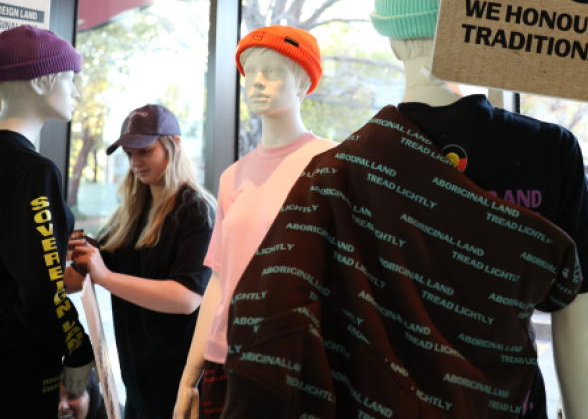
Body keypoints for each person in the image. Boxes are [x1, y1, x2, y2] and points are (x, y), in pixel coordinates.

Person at [376, 0, 588, 419]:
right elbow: (577, 322)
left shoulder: (353, 164)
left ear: (392, 41)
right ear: (471, 25)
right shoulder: (551, 150)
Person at [173, 26, 336, 419]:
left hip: (297, 363)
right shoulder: (233, 177)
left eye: (273, 71)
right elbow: (218, 280)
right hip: (225, 361)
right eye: (250, 72)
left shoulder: (332, 164)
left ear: (303, 85)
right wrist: (189, 374)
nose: (256, 83)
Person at [70, 103, 214, 419]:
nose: (136, 163)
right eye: (129, 154)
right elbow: (86, 271)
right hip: (137, 383)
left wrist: (105, 276)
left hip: (181, 385)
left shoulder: (197, 212)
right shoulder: (130, 213)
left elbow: (187, 297)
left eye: (144, 151)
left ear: (173, 145)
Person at [0, 25, 95, 418]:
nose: (75, 92)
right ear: (41, 82)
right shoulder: (35, 171)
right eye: (70, 79)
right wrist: (78, 360)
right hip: (19, 362)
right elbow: (41, 288)